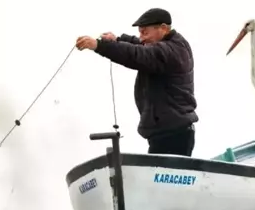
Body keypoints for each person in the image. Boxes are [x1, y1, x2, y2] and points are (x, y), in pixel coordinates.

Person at [75, 8, 199, 157]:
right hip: (166, 133)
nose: (141, 37)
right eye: (140, 32)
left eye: (144, 32)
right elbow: (139, 45)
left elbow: (136, 54)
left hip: (174, 136)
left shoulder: (171, 51)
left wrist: (99, 46)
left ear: (164, 28)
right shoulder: (169, 43)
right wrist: (118, 40)